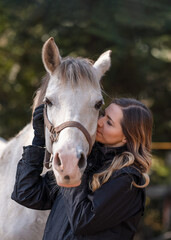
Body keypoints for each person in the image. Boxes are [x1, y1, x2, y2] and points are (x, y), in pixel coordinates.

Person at [11, 98, 153, 240]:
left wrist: (73, 170)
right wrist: (38, 141)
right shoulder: (88, 161)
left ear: (126, 138)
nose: (99, 122)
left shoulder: (127, 180)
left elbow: (82, 221)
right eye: (103, 114)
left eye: (109, 122)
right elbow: (27, 193)